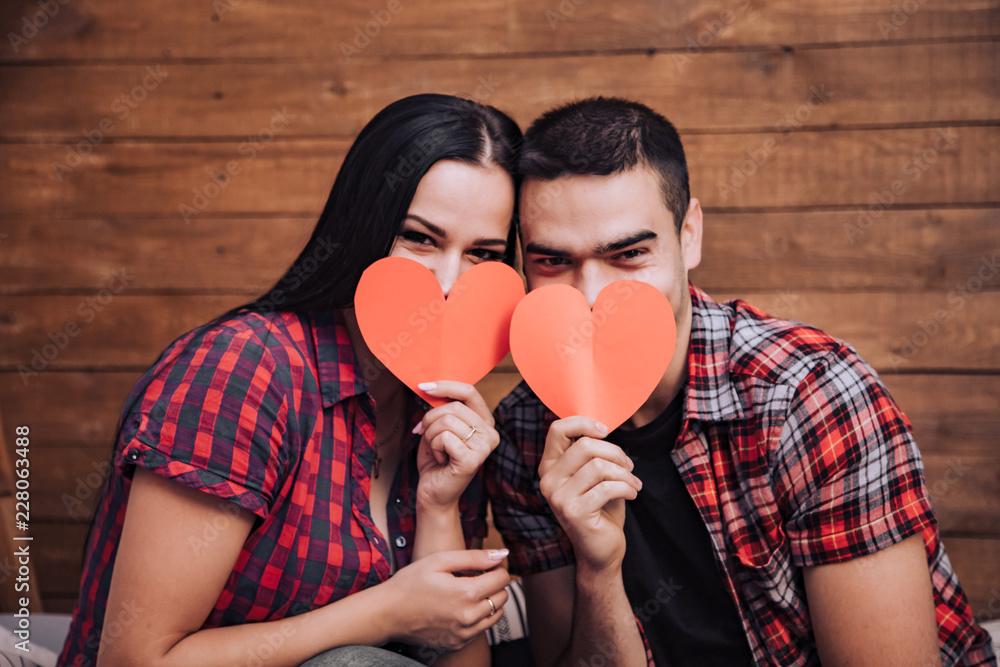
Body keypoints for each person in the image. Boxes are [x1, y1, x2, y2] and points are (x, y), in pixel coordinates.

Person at [485, 97, 997, 666]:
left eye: (629, 255)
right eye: (553, 262)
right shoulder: (525, 432)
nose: (592, 299)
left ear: (689, 237)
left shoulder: (812, 394)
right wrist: (598, 569)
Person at [60, 93, 523, 667]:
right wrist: (385, 612)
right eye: (419, 238)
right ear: (364, 226)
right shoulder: (243, 371)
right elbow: (135, 660)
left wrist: (439, 506)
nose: (450, 280)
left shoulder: (450, 416)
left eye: (483, 253)